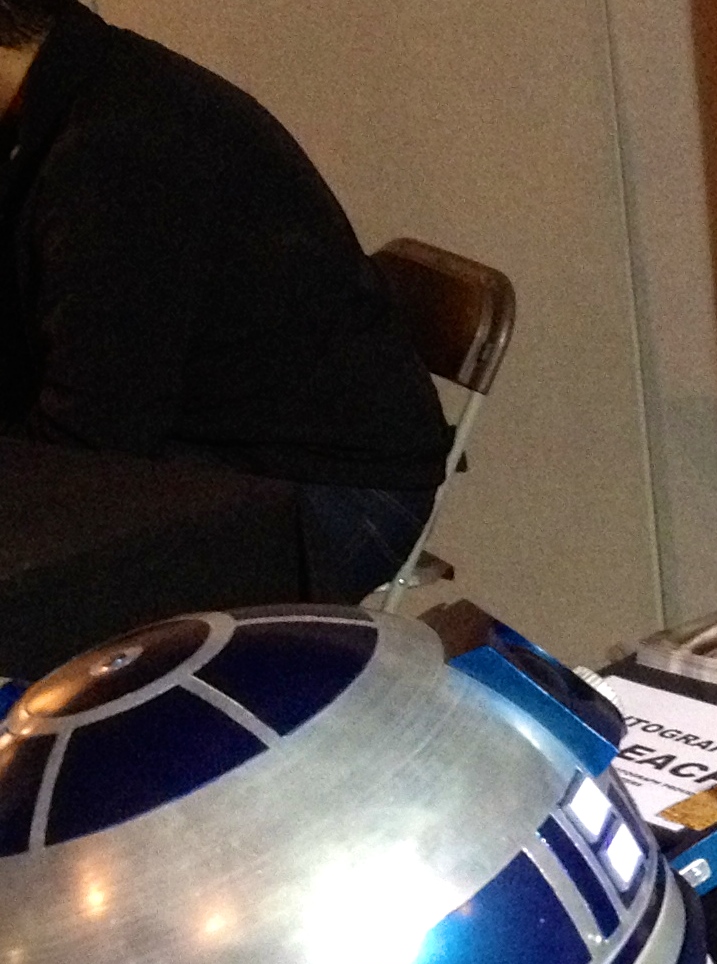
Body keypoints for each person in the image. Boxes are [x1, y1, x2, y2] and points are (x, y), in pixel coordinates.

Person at [0, 0, 451, 602]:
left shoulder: (120, 147)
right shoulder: (56, 101)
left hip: (320, 488)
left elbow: (90, 449)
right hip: (188, 446)